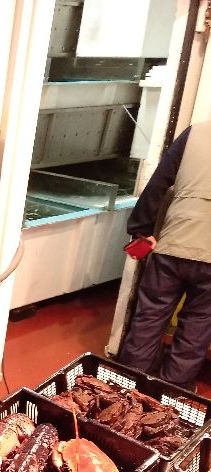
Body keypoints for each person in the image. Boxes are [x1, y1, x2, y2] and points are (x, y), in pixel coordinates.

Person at [117, 120, 211, 392]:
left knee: (150, 315)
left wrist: (141, 229)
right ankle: (174, 390)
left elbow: (159, 182)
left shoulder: (197, 132)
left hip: (174, 242)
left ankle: (128, 384)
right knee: (197, 324)